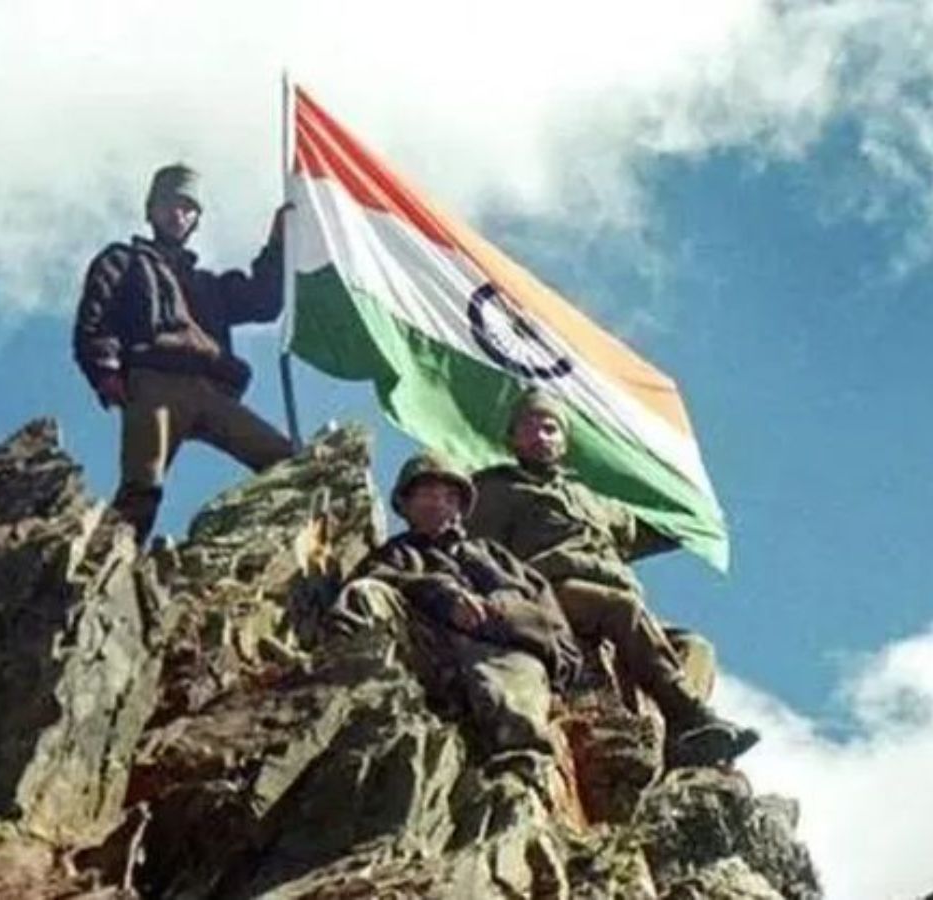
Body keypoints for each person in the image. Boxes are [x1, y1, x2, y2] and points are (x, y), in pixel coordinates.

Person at [467, 388, 759, 767]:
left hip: (608, 596)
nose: (541, 436)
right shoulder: (494, 490)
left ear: (564, 441)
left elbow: (647, 532)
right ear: (512, 439)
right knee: (621, 609)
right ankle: (689, 716)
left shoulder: (592, 499)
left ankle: (681, 744)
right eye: (530, 428)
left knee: (695, 647)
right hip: (547, 594)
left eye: (550, 429)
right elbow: (472, 548)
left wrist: (698, 516)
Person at [73, 163, 293, 542]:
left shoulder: (208, 285)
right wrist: (105, 370)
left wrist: (278, 244)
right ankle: (104, 566)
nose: (178, 214)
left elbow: (263, 302)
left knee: (288, 462)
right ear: (151, 210)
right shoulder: (123, 261)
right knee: (143, 486)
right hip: (152, 381)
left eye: (188, 208)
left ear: (196, 219)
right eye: (169, 204)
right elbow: (96, 318)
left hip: (211, 389)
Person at [341, 453, 582, 752]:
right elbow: (377, 581)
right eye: (427, 494)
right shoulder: (397, 554)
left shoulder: (495, 556)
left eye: (449, 497)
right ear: (406, 505)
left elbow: (554, 625)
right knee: (364, 595)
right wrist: (442, 595)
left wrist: (509, 618)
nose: (438, 503)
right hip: (432, 647)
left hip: (504, 653)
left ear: (460, 508)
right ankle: (350, 693)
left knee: (516, 726)